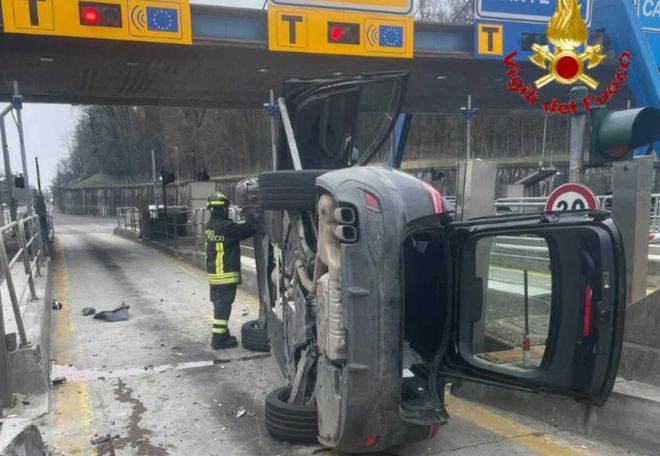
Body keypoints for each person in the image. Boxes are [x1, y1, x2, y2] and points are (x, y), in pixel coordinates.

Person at [205, 192, 255, 349]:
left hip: (214, 275)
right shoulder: (225, 227)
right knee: (223, 306)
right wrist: (253, 215)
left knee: (219, 305)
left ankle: (223, 333)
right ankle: (218, 340)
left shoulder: (209, 226)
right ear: (223, 208)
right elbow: (247, 228)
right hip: (224, 274)